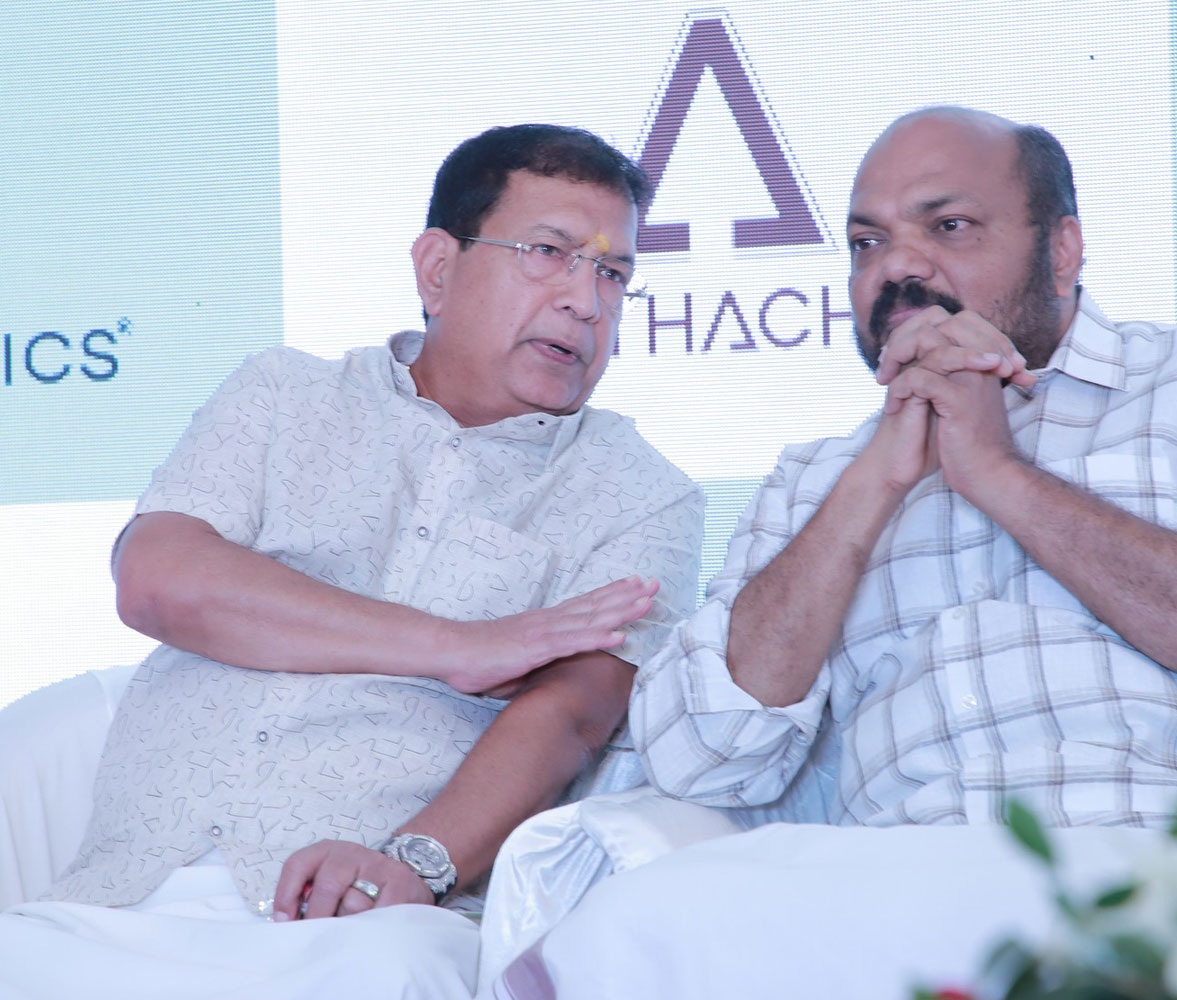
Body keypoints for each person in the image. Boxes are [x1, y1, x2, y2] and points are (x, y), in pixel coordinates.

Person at [0, 123, 701, 999]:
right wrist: (461, 647)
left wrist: (414, 864)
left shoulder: (642, 495)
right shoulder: (283, 394)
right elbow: (159, 579)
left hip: (369, 918)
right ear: (437, 269)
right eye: (548, 253)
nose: (586, 301)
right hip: (119, 901)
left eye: (614, 274)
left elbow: (573, 712)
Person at [631, 106, 1177, 847]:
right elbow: (697, 760)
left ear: (1063, 251)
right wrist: (876, 477)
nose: (898, 266)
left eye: (949, 226)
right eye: (867, 243)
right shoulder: (814, 481)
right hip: (904, 887)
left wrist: (999, 472)